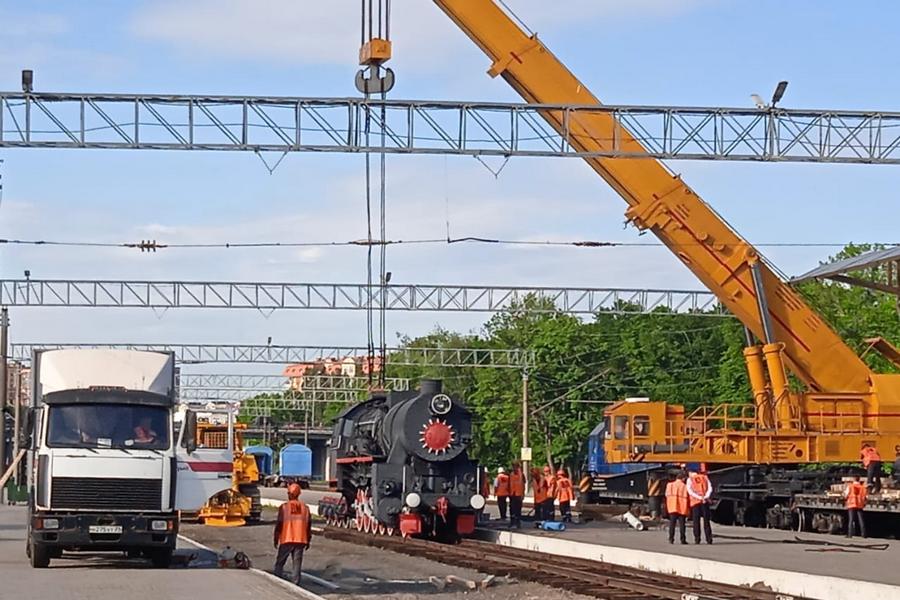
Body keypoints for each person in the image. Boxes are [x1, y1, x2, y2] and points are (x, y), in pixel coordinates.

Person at [273, 483, 311, 585]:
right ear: (299, 494)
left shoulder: (284, 507)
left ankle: (276, 583)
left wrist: (276, 538)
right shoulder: (305, 508)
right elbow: (308, 526)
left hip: (286, 539)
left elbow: (279, 524)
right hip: (300, 540)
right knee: (297, 565)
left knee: (280, 563)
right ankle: (295, 585)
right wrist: (308, 540)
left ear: (289, 494)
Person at [687, 467, 713, 544]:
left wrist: (699, 497)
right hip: (705, 501)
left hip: (696, 502)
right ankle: (709, 539)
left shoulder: (690, 479)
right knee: (706, 521)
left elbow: (690, 491)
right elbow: (710, 488)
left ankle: (697, 539)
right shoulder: (704, 477)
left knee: (696, 521)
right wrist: (705, 496)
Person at [665, 471, 689, 544]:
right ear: (683, 478)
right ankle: (683, 539)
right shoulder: (684, 486)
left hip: (672, 506)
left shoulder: (670, 485)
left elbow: (666, 494)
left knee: (672, 524)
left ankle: (671, 539)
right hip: (682, 507)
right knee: (682, 524)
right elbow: (687, 496)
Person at [508, 462, 526, 528]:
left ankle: (517, 523)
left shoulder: (521, 475)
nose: (514, 468)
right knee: (512, 509)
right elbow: (509, 484)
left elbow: (523, 484)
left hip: (519, 494)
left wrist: (523, 494)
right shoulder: (511, 474)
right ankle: (512, 522)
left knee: (518, 509)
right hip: (512, 494)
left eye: (515, 466)